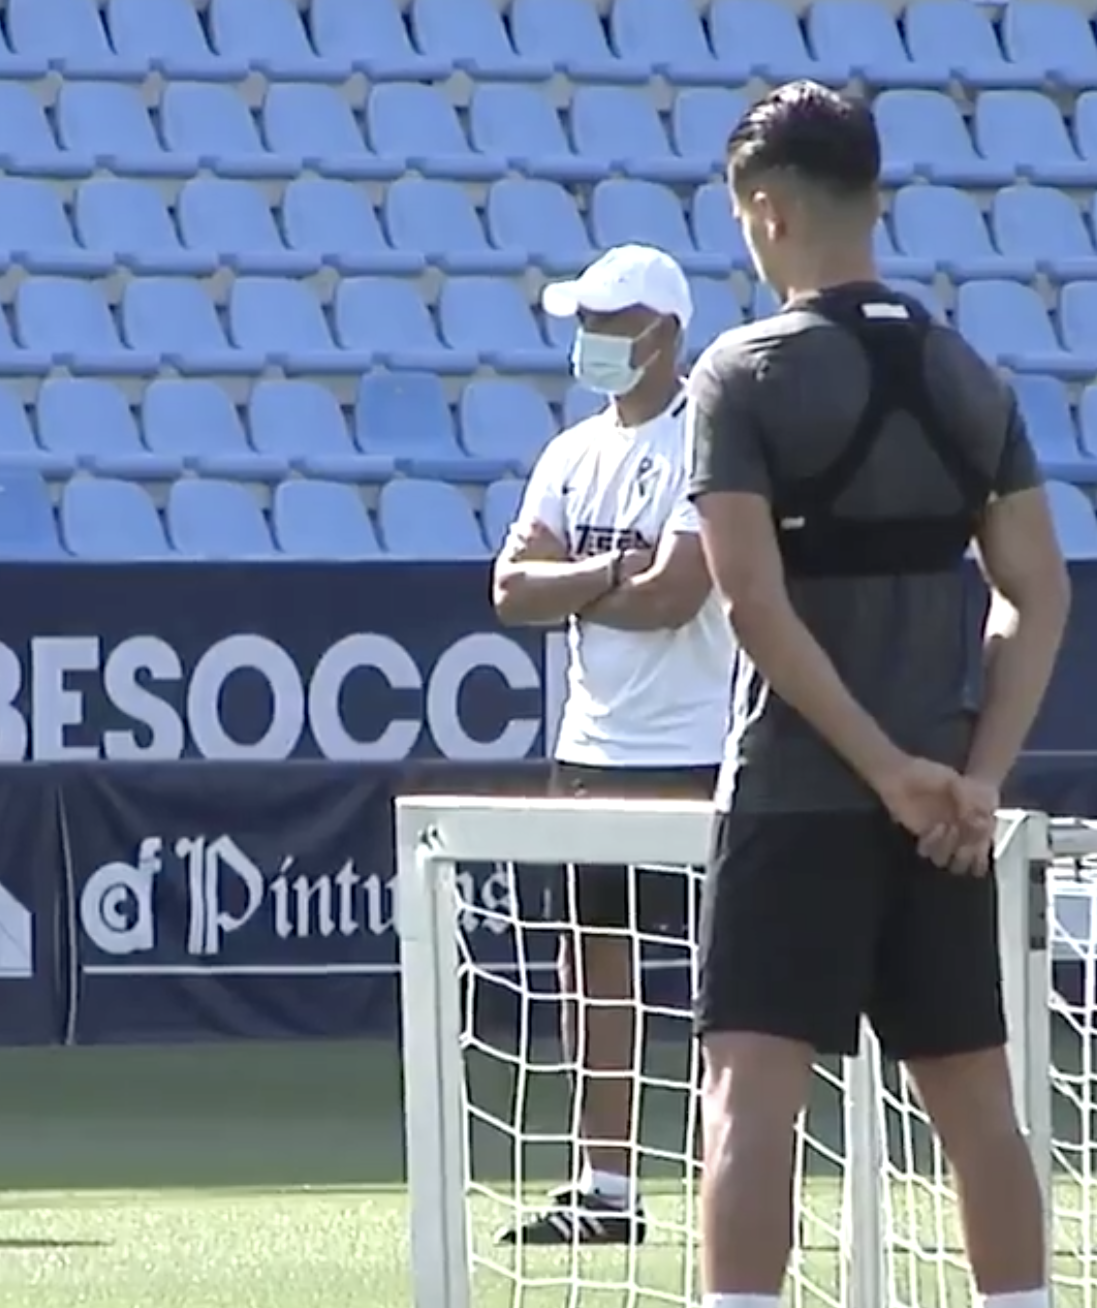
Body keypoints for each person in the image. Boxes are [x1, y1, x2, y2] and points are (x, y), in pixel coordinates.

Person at [685, 81, 1066, 1308]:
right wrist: (973, 776)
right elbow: (1039, 593)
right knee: (977, 1105)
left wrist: (880, 769)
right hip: (946, 812)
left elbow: (752, 602)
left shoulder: (741, 373)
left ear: (766, 210)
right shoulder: (969, 374)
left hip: (801, 790)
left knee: (750, 1096)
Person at [491, 244, 733, 1245]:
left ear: (663, 333)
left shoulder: (705, 445)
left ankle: (739, 1185)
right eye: (583, 323)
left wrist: (577, 581)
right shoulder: (570, 451)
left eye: (605, 322)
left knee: (732, 979)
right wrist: (608, 575)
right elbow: (511, 592)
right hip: (593, 748)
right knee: (594, 974)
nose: (588, 341)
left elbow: (679, 596)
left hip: (699, 747)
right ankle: (606, 1188)